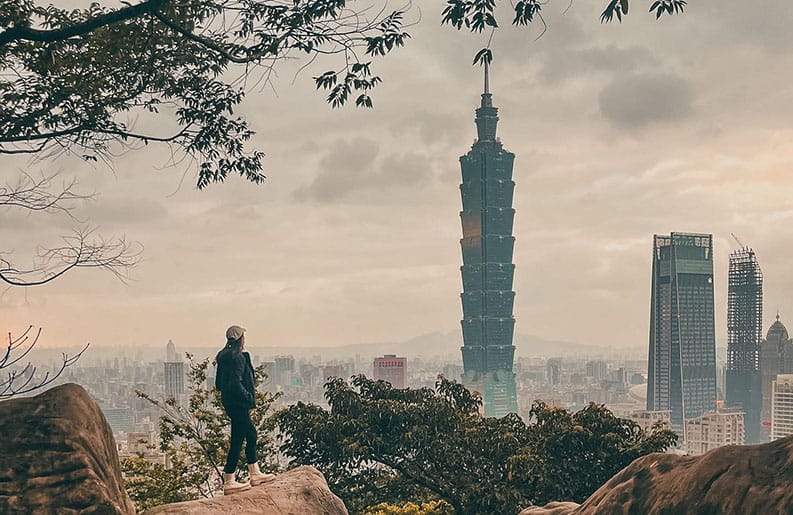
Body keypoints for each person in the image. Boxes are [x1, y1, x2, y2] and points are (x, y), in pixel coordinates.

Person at [215, 325, 275, 494]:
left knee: (249, 435)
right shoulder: (237, 358)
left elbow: (219, 384)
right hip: (239, 404)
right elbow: (235, 383)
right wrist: (247, 396)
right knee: (239, 439)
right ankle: (230, 479)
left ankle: (254, 473)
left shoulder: (223, 358)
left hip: (230, 403)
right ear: (240, 339)